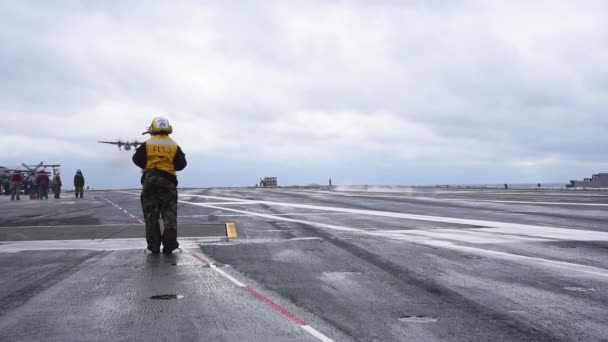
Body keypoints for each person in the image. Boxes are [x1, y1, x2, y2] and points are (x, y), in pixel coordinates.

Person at [132, 117, 187, 254]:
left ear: (153, 128)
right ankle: (170, 246)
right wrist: (168, 166)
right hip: (168, 181)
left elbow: (136, 159)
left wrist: (147, 165)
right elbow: (182, 164)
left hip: (150, 180)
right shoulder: (173, 145)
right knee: (169, 215)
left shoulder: (148, 144)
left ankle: (153, 247)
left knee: (151, 215)